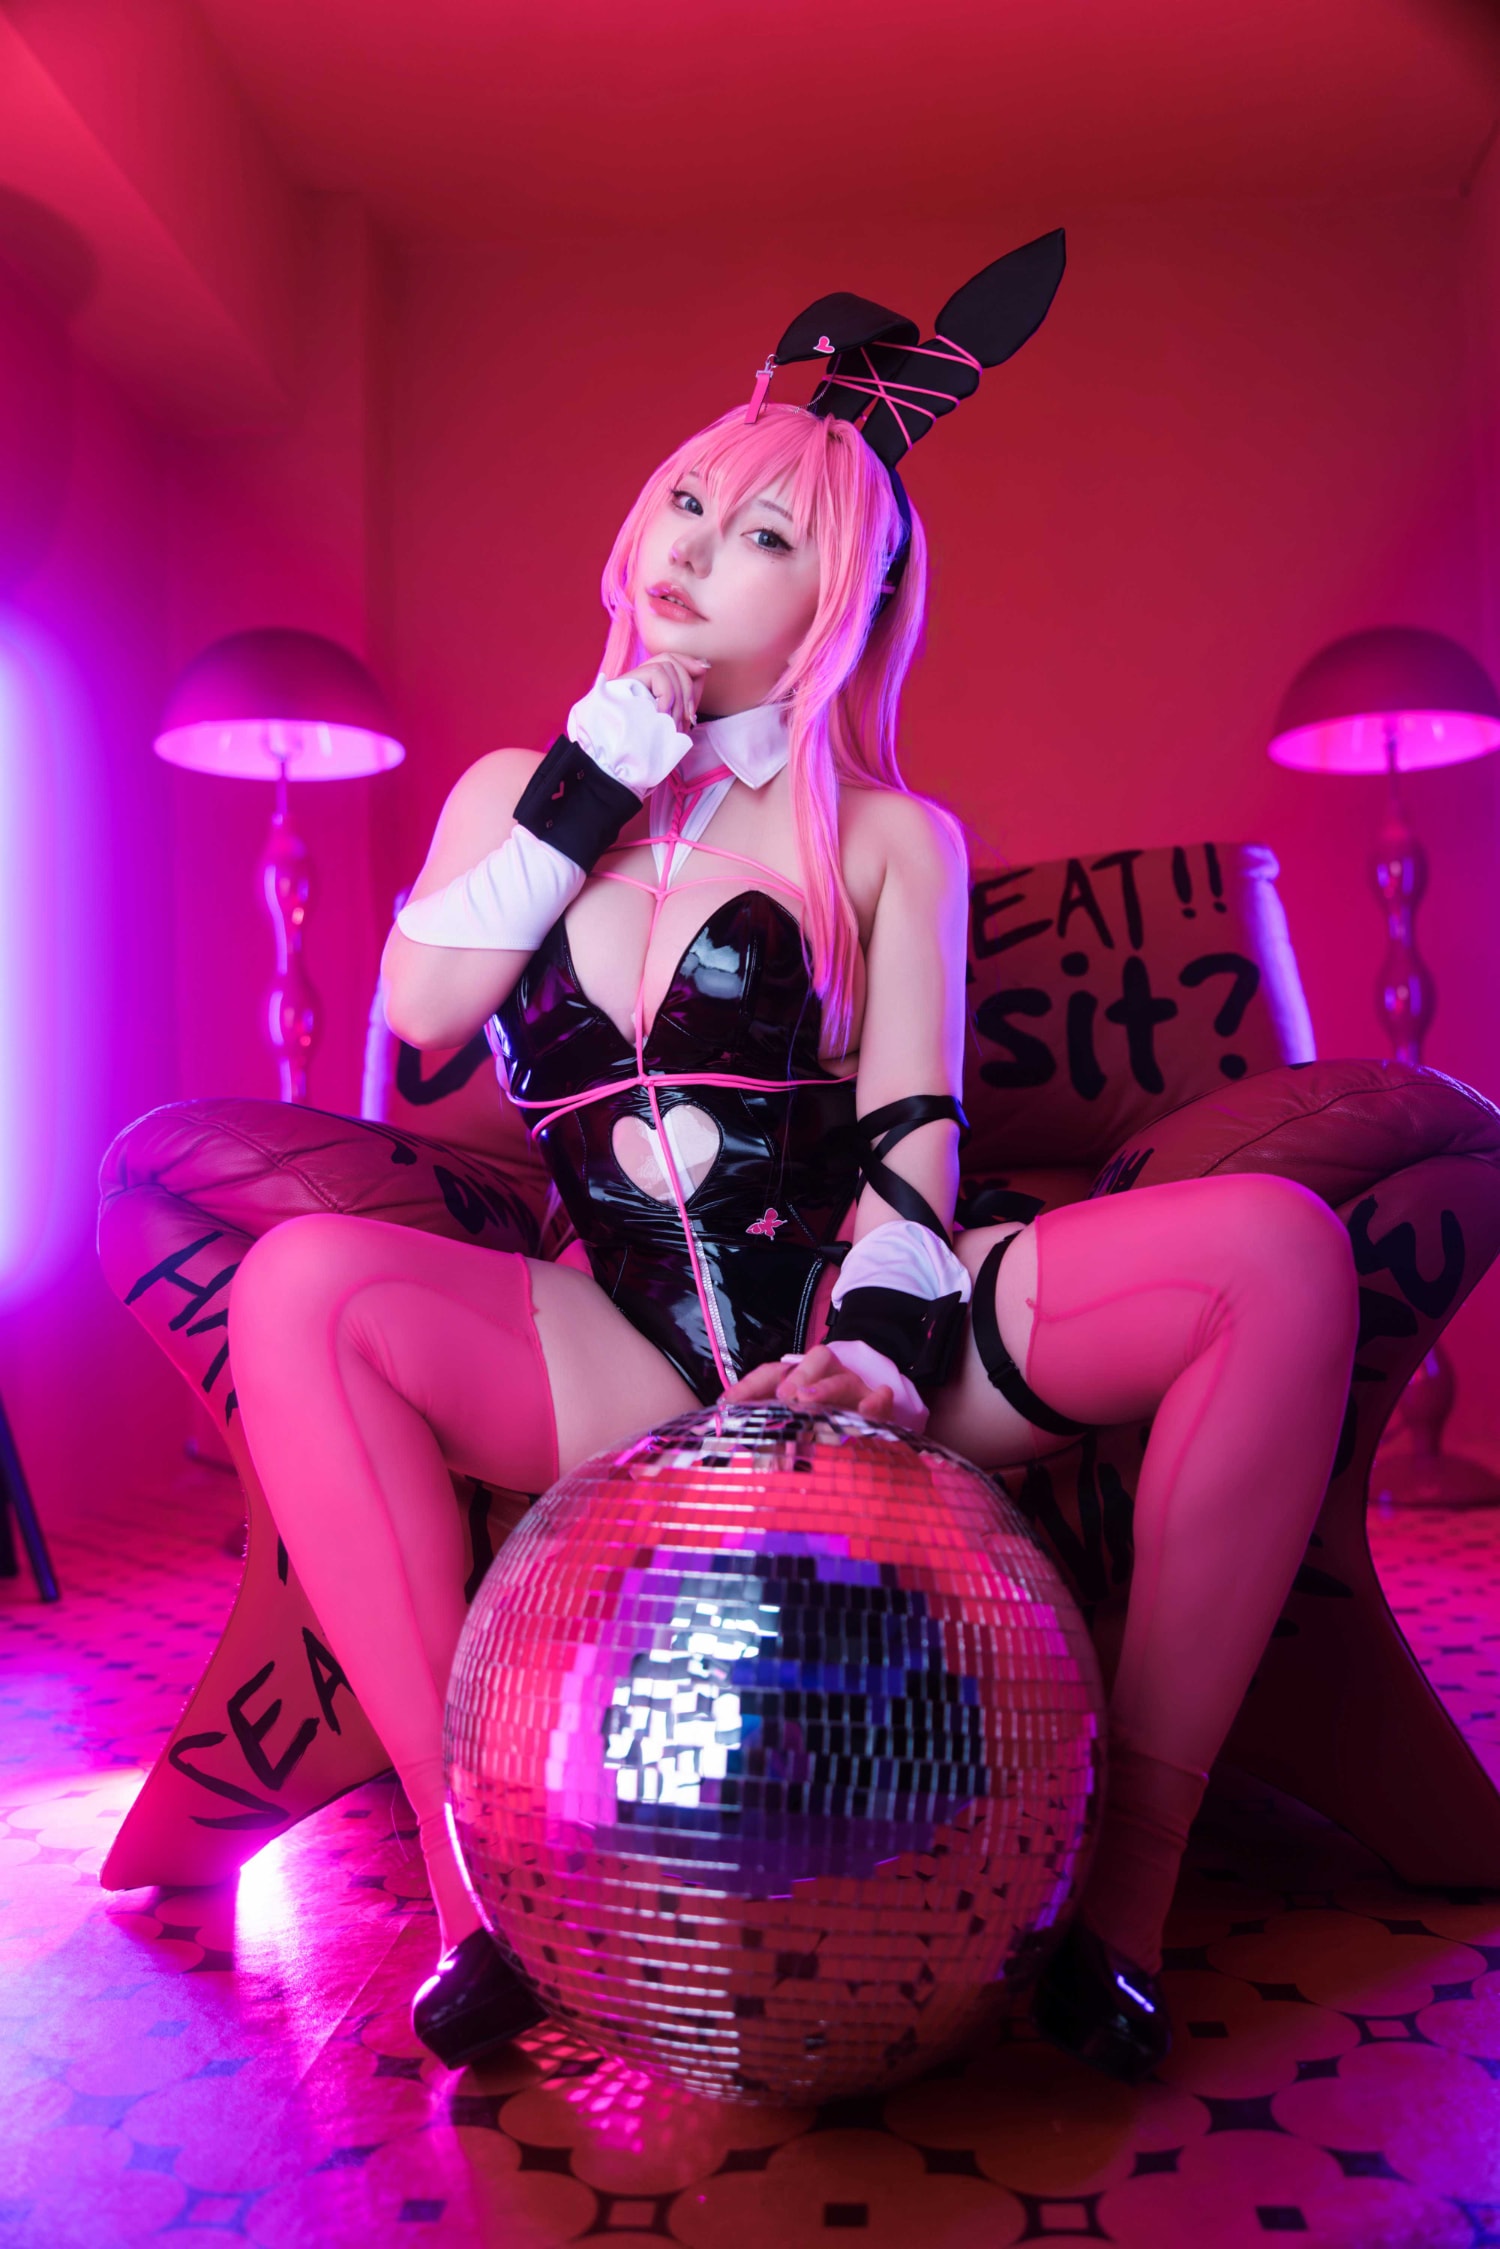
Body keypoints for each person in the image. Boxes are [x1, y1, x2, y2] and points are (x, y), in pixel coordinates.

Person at [225, 236, 1357, 2084]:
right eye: (686, 498)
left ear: (840, 596)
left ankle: (1121, 1899)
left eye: (761, 532)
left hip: (865, 1324)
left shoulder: (891, 836)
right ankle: (474, 1892)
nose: (693, 543)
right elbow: (424, 1012)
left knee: (1281, 1251)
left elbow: (916, 1131)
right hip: (630, 1358)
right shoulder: (516, 793)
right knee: (299, 1287)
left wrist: (882, 1356)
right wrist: (596, 774)